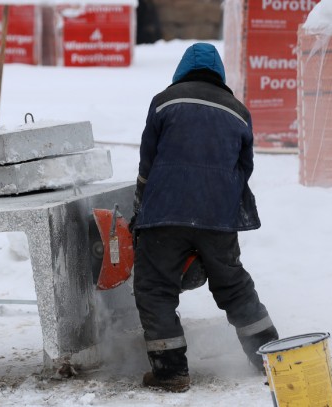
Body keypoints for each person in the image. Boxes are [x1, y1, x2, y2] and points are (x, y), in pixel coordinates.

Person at [129, 42, 278, 393]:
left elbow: (147, 159)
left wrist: (142, 200)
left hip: (165, 213)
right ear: (219, 74)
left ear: (181, 70)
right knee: (234, 285)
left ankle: (171, 372)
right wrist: (218, 202)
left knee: (155, 287)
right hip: (218, 217)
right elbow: (245, 168)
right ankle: (268, 357)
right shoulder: (239, 111)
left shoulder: (164, 101)